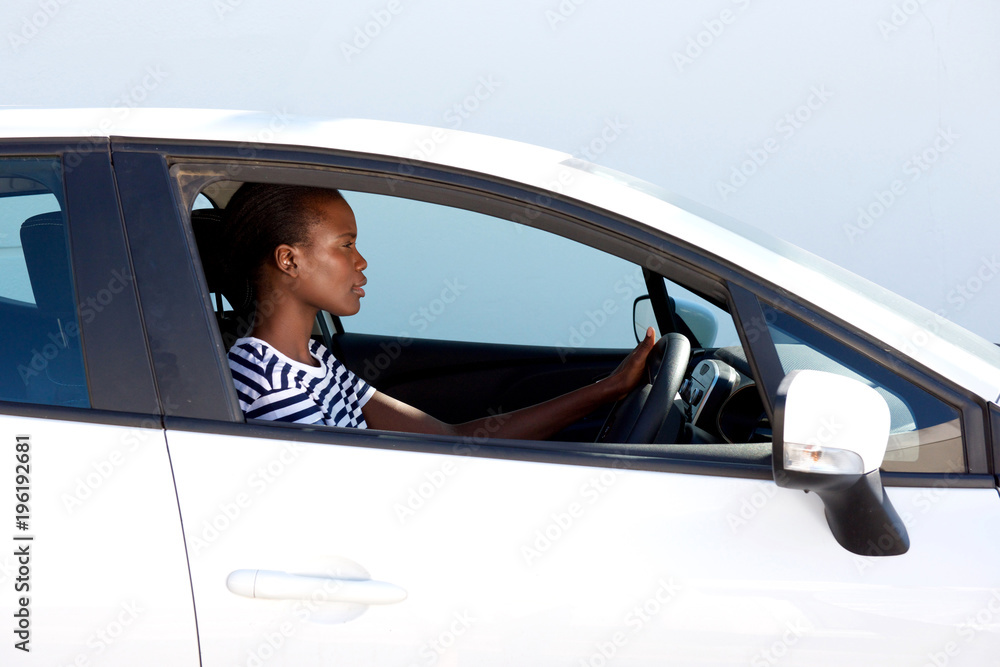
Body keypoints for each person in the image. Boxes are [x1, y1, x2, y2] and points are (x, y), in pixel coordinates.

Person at [223, 183, 655, 440]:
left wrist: (608, 389)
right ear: (289, 260)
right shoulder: (266, 380)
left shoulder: (317, 363)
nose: (361, 261)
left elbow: (449, 438)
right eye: (346, 244)